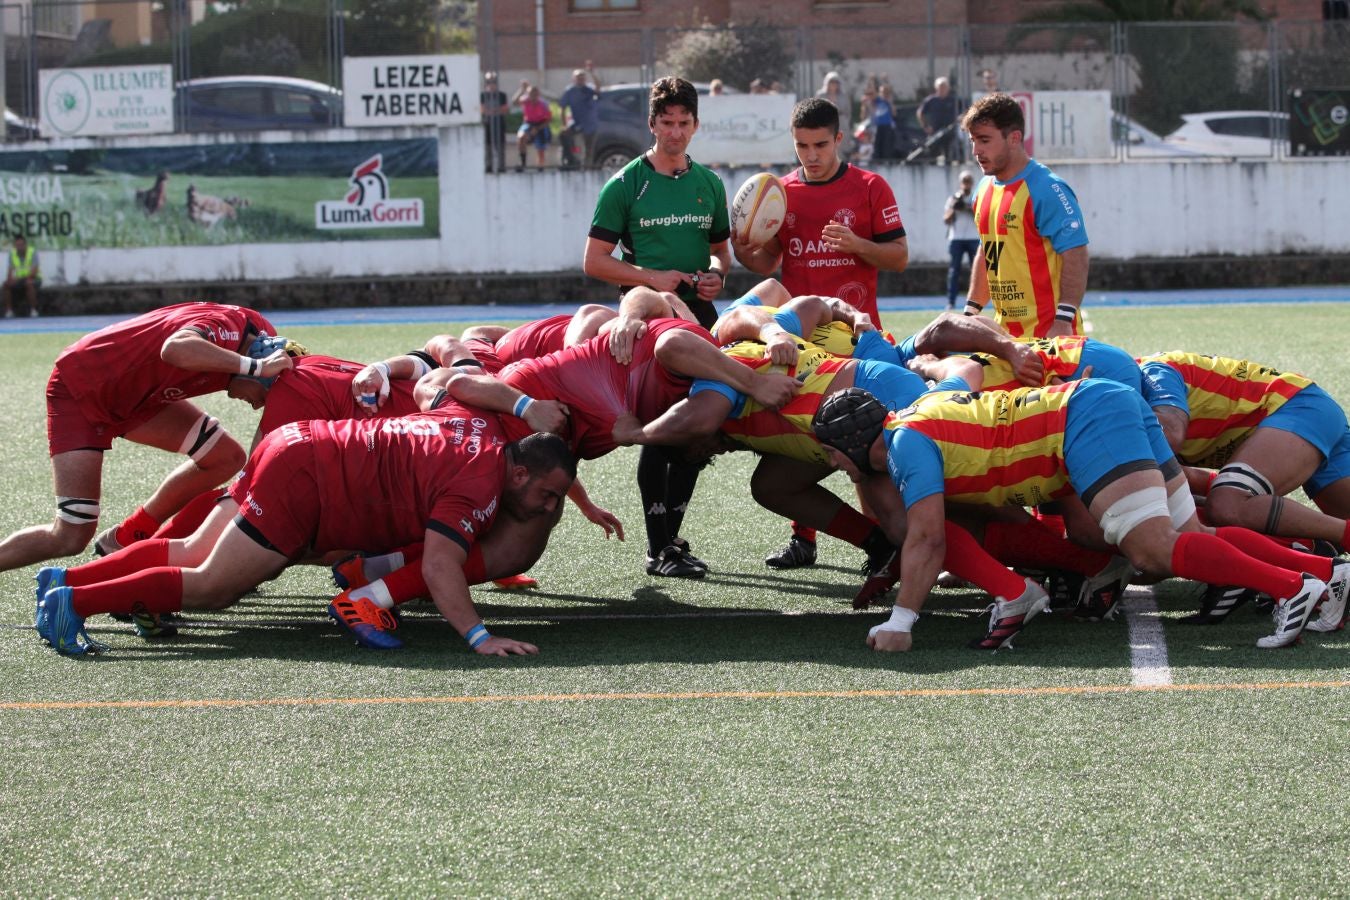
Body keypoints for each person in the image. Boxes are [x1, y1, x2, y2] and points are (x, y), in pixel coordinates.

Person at [813, 380, 1342, 652]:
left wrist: (901, 621)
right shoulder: (912, 424)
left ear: (857, 441)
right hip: (1093, 408)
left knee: (1152, 548)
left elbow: (926, 540)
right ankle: (1324, 576)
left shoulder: (905, 443)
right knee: (1191, 533)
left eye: (834, 452)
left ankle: (1288, 587)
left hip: (1084, 419)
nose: (833, 463)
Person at [35, 408, 577, 657]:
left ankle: (67, 577)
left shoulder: (482, 428)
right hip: (305, 478)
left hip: (296, 442)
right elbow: (439, 565)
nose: (549, 507)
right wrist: (481, 638)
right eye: (547, 496)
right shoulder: (480, 486)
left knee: (192, 548)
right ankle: (73, 602)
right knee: (212, 585)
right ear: (521, 472)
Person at [731, 96, 908, 568]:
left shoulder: (870, 186)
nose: (811, 155)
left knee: (864, 448)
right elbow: (766, 264)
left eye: (820, 145)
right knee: (792, 434)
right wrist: (744, 247)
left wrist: (858, 245)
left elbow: (899, 256)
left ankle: (883, 541)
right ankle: (802, 539)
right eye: (802, 146)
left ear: (839, 140)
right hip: (799, 340)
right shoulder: (781, 193)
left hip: (856, 341)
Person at [0, 302, 299, 577]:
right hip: (82, 388)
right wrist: (256, 368)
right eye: (264, 396)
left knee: (227, 458)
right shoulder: (236, 333)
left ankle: (130, 535)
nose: (259, 404)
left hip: (139, 397)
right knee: (71, 534)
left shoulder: (256, 341)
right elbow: (175, 348)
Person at [963, 93, 1089, 339]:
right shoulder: (982, 190)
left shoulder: (1047, 189)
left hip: (1051, 337)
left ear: (1014, 138)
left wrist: (1063, 319)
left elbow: (1076, 254)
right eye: (973, 141)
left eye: (985, 140)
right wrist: (970, 313)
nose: (976, 150)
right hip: (1006, 340)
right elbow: (988, 252)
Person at [944, 170, 980, 310]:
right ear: (960, 183)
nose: (966, 184)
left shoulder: (975, 197)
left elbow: (979, 216)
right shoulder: (953, 198)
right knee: (954, 271)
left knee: (976, 271)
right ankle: (951, 301)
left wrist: (966, 207)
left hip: (973, 238)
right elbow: (946, 220)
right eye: (964, 181)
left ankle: (974, 302)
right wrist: (954, 207)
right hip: (956, 238)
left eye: (968, 181)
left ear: (972, 183)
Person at [559, 63, 602, 169]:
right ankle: (570, 161)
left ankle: (588, 167)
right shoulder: (570, 91)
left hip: (590, 124)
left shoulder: (589, 89)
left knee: (589, 148)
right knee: (566, 137)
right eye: (578, 78)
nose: (580, 80)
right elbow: (563, 108)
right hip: (577, 123)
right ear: (574, 79)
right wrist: (564, 124)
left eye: (582, 77)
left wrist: (592, 73)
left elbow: (598, 88)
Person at [917, 76, 960, 161]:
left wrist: (960, 119)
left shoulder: (953, 100)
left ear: (948, 88)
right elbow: (920, 113)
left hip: (949, 131)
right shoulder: (931, 100)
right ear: (936, 88)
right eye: (941, 87)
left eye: (945, 87)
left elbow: (964, 111)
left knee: (949, 154)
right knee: (933, 153)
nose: (943, 89)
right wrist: (925, 126)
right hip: (935, 131)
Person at [514, 82, 552, 171]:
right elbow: (514, 102)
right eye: (531, 93)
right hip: (528, 123)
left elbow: (549, 119)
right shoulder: (525, 101)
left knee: (540, 147)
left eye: (535, 94)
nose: (533, 96)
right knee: (521, 137)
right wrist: (521, 90)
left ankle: (540, 166)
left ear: (538, 94)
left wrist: (538, 128)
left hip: (541, 124)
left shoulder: (543, 104)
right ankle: (523, 163)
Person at [816, 71, 854, 160]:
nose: (833, 84)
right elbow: (816, 110)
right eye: (831, 82)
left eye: (835, 82)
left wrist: (844, 121)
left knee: (841, 145)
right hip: (825, 123)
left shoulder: (844, 96)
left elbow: (848, 111)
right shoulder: (821, 95)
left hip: (841, 123)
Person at [480, 72, 509, 174]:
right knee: (487, 146)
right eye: (489, 82)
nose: (491, 84)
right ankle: (489, 165)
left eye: (493, 81)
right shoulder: (483, 96)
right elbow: (482, 110)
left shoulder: (502, 95)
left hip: (499, 123)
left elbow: (505, 110)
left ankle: (501, 165)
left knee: (500, 145)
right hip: (487, 124)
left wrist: (491, 111)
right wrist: (496, 111)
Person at [4, 234, 39, 318]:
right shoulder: (12, 254)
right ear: (14, 246)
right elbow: (10, 271)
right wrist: (10, 279)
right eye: (17, 245)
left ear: (25, 244)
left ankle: (33, 310)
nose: (20, 247)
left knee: (29, 283)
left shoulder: (32, 252)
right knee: (6, 285)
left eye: (22, 245)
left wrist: (19, 279)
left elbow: (34, 272)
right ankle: (9, 311)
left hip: (34, 278)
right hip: (19, 280)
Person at [870, 83, 897, 161]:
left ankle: (886, 160)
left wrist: (890, 102)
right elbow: (871, 94)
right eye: (882, 92)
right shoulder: (877, 101)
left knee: (887, 144)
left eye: (886, 92)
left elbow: (894, 113)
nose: (884, 94)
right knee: (877, 143)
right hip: (878, 126)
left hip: (887, 125)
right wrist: (872, 80)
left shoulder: (889, 102)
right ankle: (877, 159)